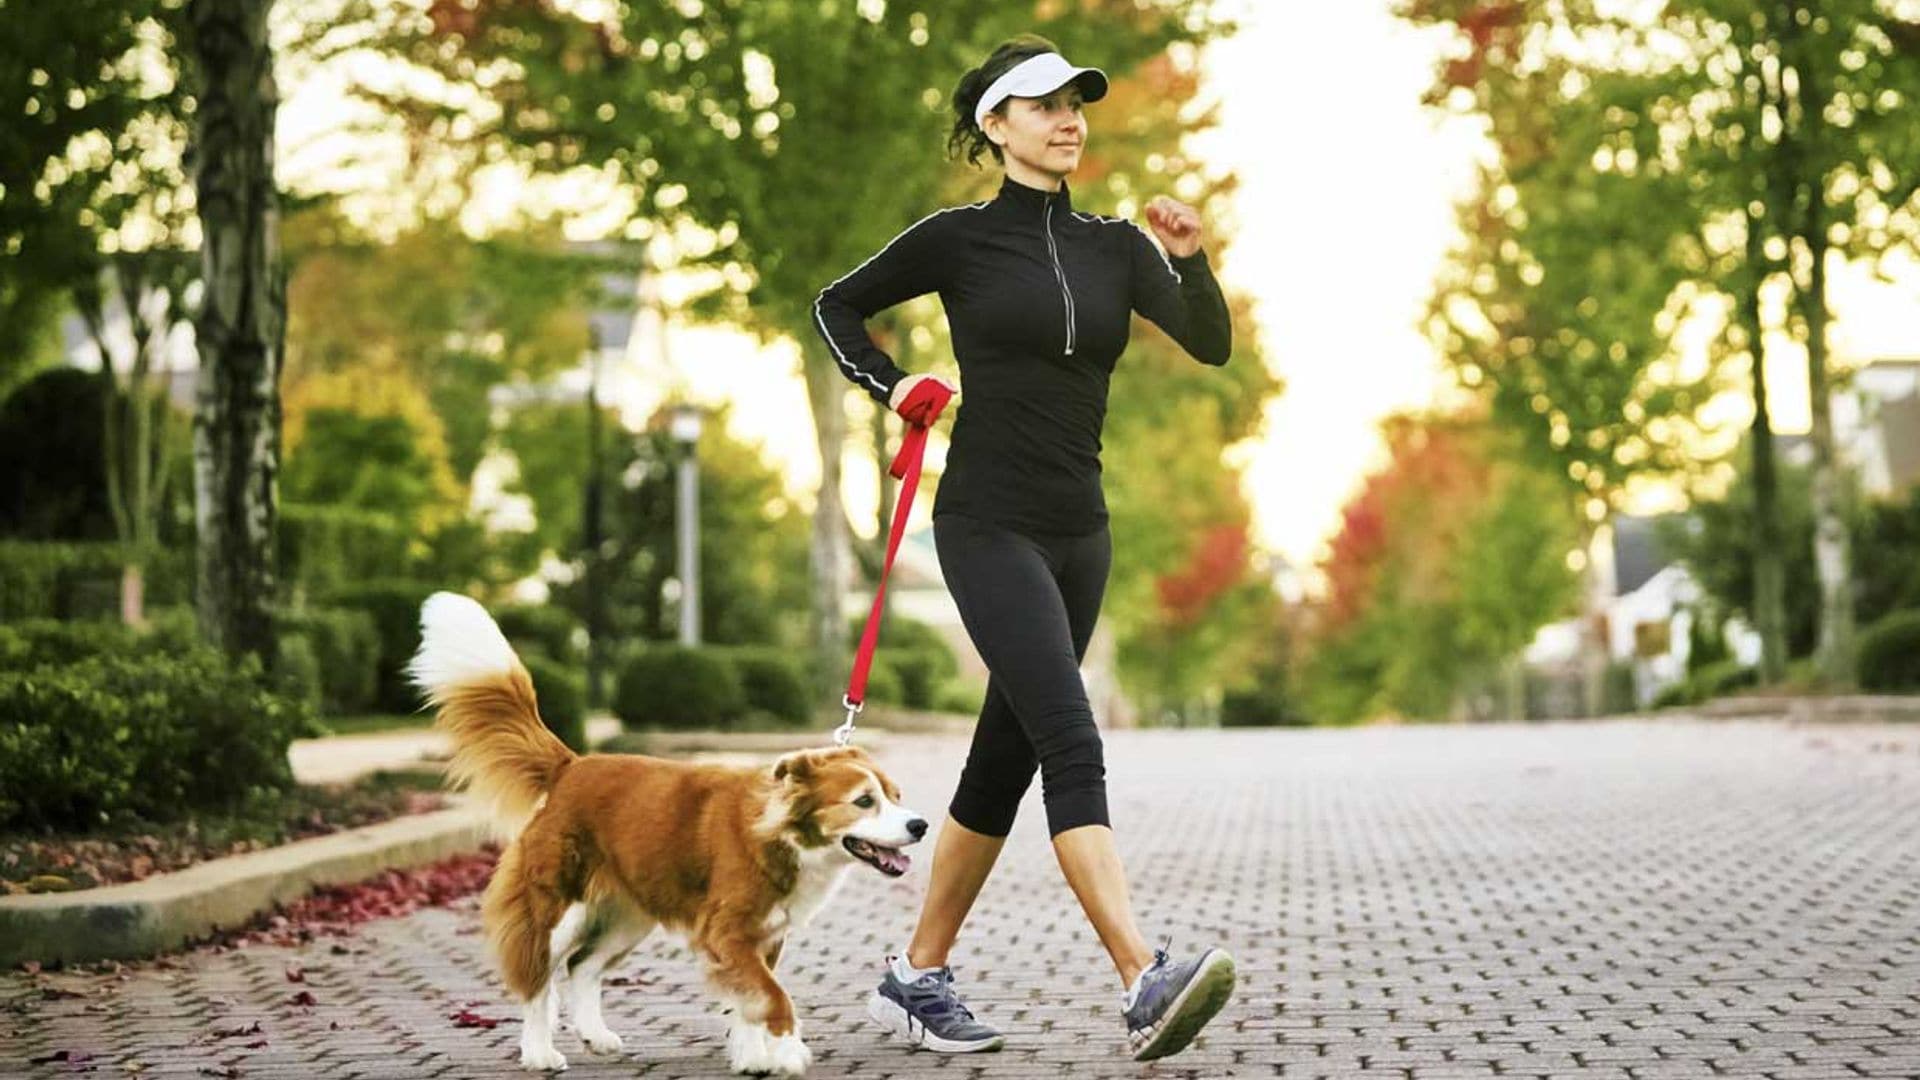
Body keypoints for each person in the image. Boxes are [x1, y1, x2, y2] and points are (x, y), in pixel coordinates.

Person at [811, 33, 1238, 1063]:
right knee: (1068, 736)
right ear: (996, 127)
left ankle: (915, 976)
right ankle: (1143, 976)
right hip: (986, 523)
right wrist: (894, 383)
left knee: (1003, 763)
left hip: (1080, 534)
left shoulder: (1117, 245)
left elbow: (1211, 342)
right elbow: (837, 305)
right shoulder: (958, 240)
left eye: (1077, 103)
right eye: (1043, 105)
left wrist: (1192, 258)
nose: (1068, 119)